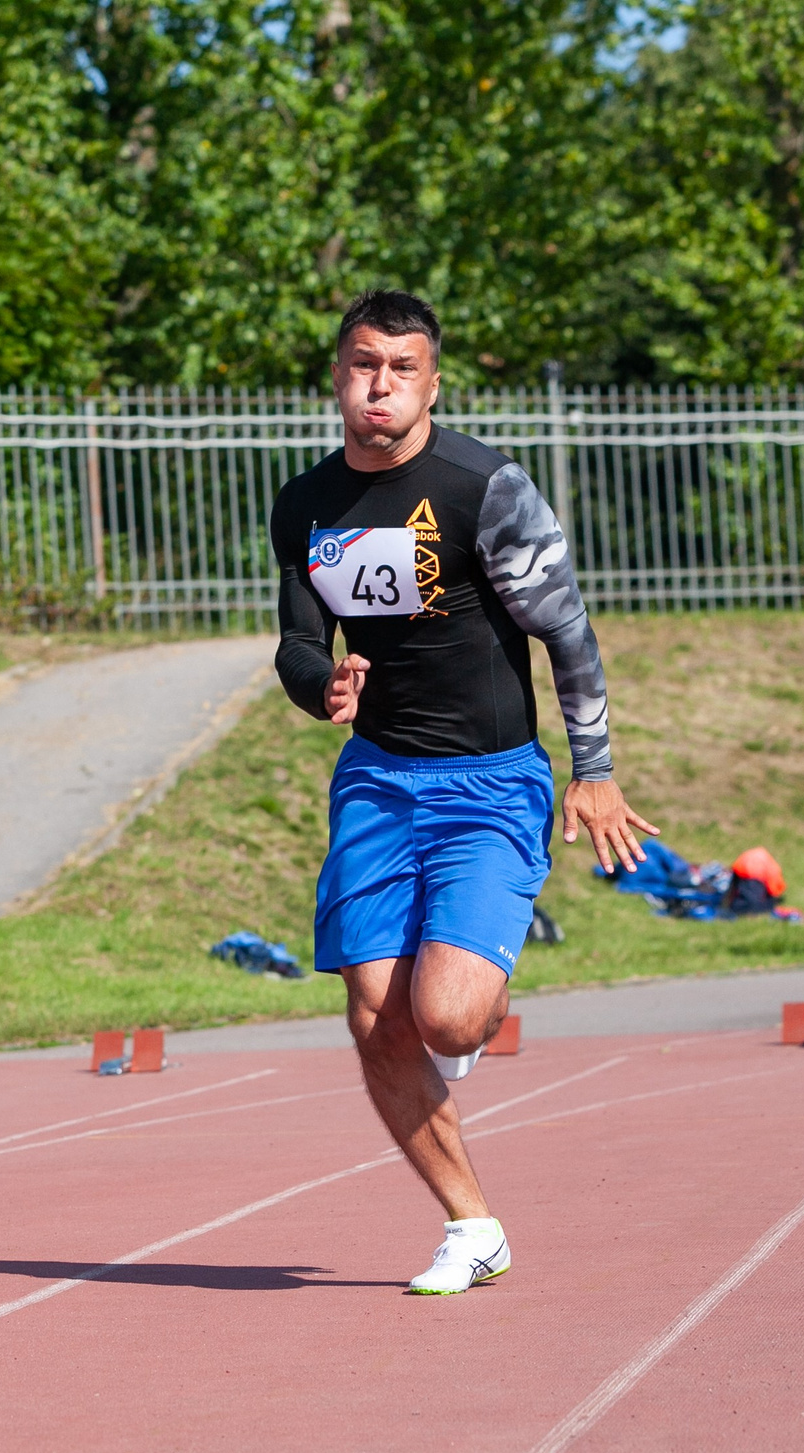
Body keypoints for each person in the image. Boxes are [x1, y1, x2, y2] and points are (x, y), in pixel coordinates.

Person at [272, 289, 659, 1297]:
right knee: (371, 1014)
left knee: (442, 1020)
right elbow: (297, 638)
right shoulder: (304, 503)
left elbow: (565, 632)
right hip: (376, 781)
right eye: (363, 365)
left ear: (431, 384)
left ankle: (475, 979)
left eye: (401, 369)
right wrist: (323, 685)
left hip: (488, 780)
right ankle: (471, 1223)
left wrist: (596, 770)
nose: (379, 386)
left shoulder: (483, 488)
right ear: (337, 375)